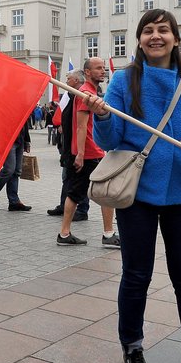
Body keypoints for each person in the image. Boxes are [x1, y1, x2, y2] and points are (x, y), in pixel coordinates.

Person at [84, 10, 181, 363]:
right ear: (139, 40)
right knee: (136, 275)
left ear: (176, 39)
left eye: (163, 30)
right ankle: (132, 345)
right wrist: (102, 117)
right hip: (138, 195)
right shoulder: (124, 82)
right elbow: (110, 143)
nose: (155, 36)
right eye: (148, 30)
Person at [57, 57, 120, 248]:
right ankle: (108, 234)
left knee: (76, 193)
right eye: (98, 68)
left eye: (103, 68)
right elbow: (81, 126)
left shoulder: (90, 92)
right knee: (103, 193)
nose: (103, 71)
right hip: (91, 152)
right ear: (87, 72)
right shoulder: (86, 94)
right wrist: (81, 154)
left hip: (92, 151)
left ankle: (65, 233)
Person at [47, 69, 90, 221]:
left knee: (80, 179)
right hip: (67, 143)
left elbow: (82, 126)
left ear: (77, 81)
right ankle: (63, 205)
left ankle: (82, 210)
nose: (66, 81)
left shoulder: (82, 96)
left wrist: (80, 151)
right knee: (67, 177)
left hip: (78, 145)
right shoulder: (69, 95)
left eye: (69, 78)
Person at [0, 118, 32, 212]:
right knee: (9, 169)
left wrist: (27, 141)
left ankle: (14, 202)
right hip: (7, 139)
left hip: (20, 139)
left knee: (16, 171)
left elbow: (25, 121)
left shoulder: (21, 104)